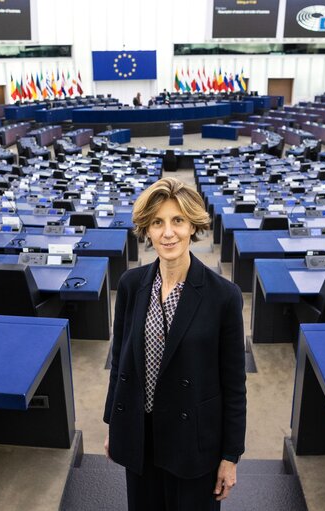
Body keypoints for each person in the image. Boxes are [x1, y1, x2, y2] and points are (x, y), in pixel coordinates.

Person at [104, 177, 247, 510]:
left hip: (193, 441)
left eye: (177, 220)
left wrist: (230, 456)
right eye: (158, 222)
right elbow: (120, 362)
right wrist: (116, 422)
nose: (168, 233)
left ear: (193, 225)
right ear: (147, 230)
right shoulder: (131, 284)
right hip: (141, 433)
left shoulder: (223, 296)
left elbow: (234, 385)